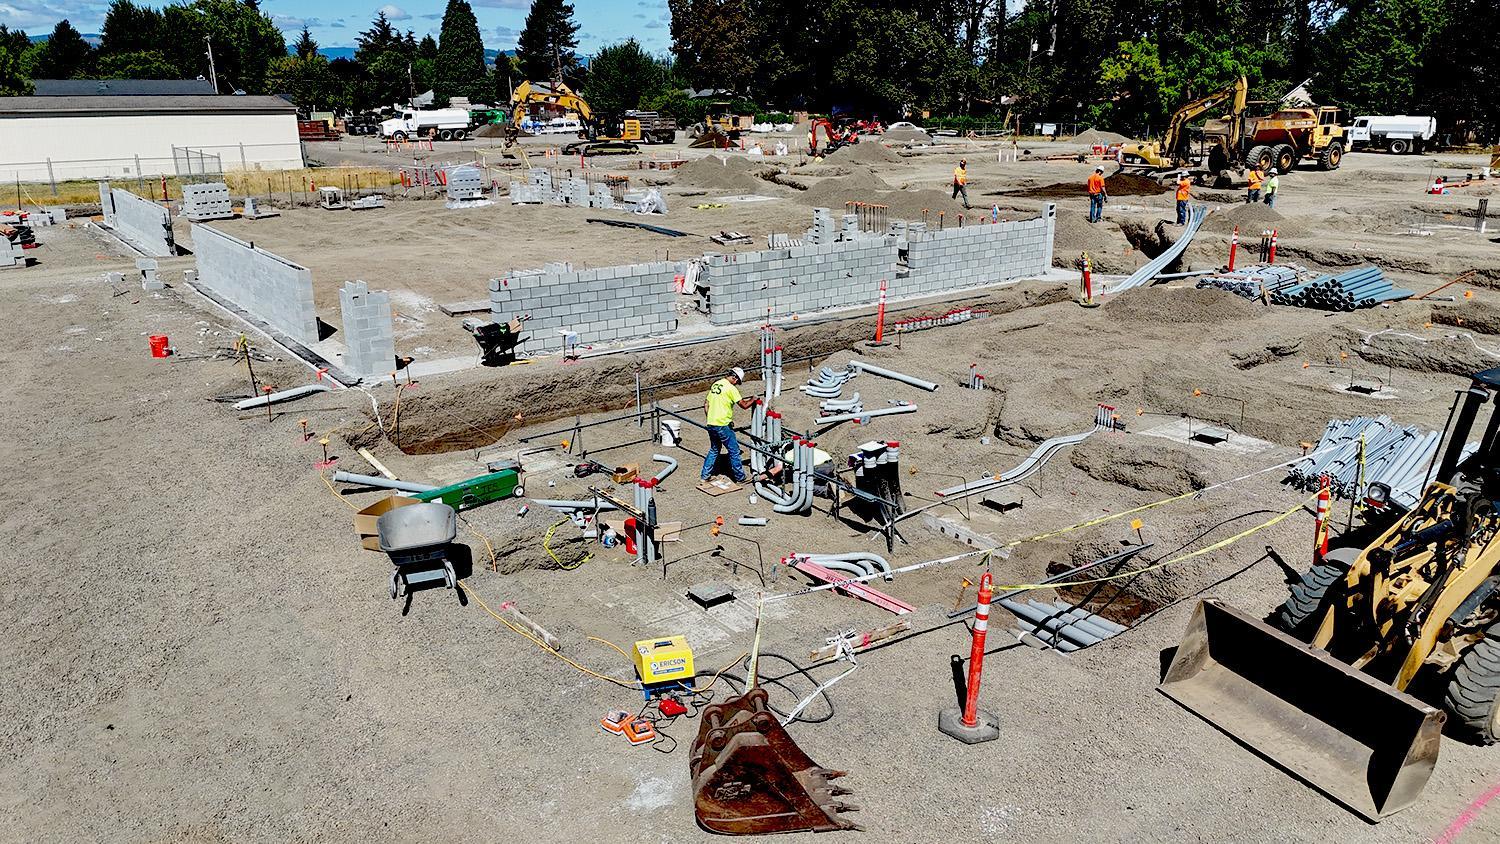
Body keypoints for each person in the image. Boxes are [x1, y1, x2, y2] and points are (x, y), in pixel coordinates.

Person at [702, 367, 754, 483]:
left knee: (714, 449)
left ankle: (705, 476)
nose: (737, 384)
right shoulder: (731, 388)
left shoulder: (716, 384)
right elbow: (744, 405)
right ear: (734, 377)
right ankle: (740, 478)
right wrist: (753, 399)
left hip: (711, 423)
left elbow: (706, 404)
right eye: (737, 381)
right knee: (734, 451)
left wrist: (711, 418)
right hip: (722, 424)